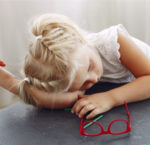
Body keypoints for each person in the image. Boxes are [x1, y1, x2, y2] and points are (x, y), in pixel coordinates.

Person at [2, 13, 150, 120]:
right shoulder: (66, 71)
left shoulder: (114, 42)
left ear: (78, 38)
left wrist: (110, 98)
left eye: (90, 66)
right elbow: (53, 99)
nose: (94, 78)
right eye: (81, 83)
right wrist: (12, 83)